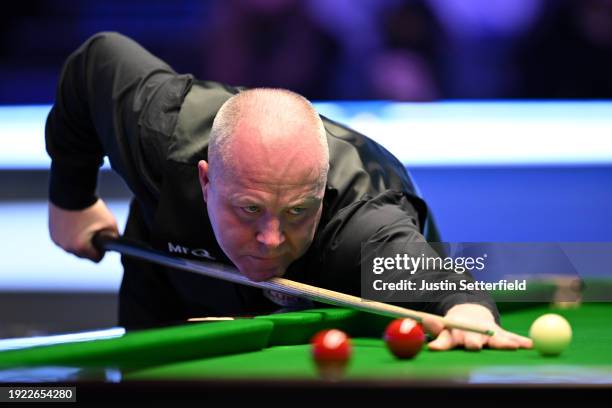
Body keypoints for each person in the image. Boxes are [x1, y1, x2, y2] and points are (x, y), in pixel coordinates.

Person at [46, 32, 531, 351]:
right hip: (168, 277)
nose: (272, 239)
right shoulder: (159, 132)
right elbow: (96, 62)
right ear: (206, 179)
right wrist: (72, 199)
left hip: (340, 301)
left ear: (321, 198)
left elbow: (450, 289)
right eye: (249, 209)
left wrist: (467, 310)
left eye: (298, 211)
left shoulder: (363, 230)